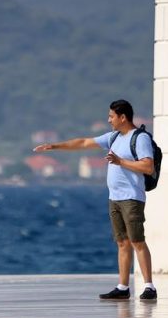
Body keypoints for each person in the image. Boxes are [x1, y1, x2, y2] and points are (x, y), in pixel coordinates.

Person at [35, 100, 157, 300]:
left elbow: (148, 167)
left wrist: (120, 161)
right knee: (122, 243)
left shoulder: (140, 138)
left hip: (131, 198)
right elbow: (84, 142)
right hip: (114, 198)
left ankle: (149, 286)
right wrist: (55, 146)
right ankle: (123, 287)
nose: (109, 120)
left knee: (137, 241)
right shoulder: (114, 137)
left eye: (111, 116)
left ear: (122, 117)